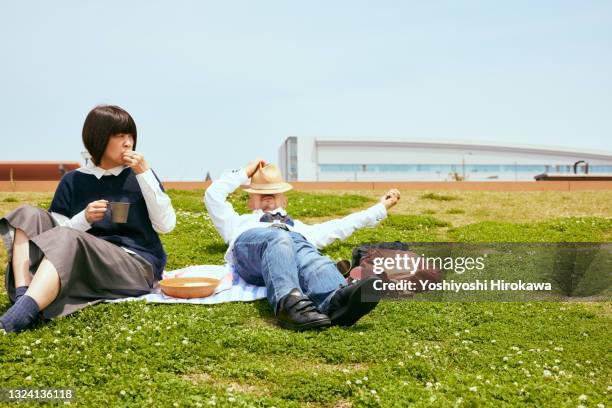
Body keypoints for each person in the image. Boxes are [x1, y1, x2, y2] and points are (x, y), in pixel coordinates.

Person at [0, 105, 176, 333]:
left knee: (68, 237)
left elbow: (166, 225)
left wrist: (144, 174)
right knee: (27, 214)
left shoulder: (140, 176)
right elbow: (54, 238)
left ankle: (21, 314)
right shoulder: (73, 180)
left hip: (134, 265)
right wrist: (84, 218)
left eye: (131, 135)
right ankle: (24, 296)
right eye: (119, 135)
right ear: (99, 138)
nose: (128, 142)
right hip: (81, 260)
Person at [205, 159, 400, 331]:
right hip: (251, 256)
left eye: (274, 193)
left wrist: (380, 207)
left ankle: (336, 301)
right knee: (279, 238)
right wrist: (245, 172)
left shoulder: (299, 228)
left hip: (291, 248)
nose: (267, 197)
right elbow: (213, 195)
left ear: (284, 201)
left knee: (309, 254)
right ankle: (288, 304)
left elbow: (341, 226)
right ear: (249, 202)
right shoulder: (237, 222)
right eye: (259, 193)